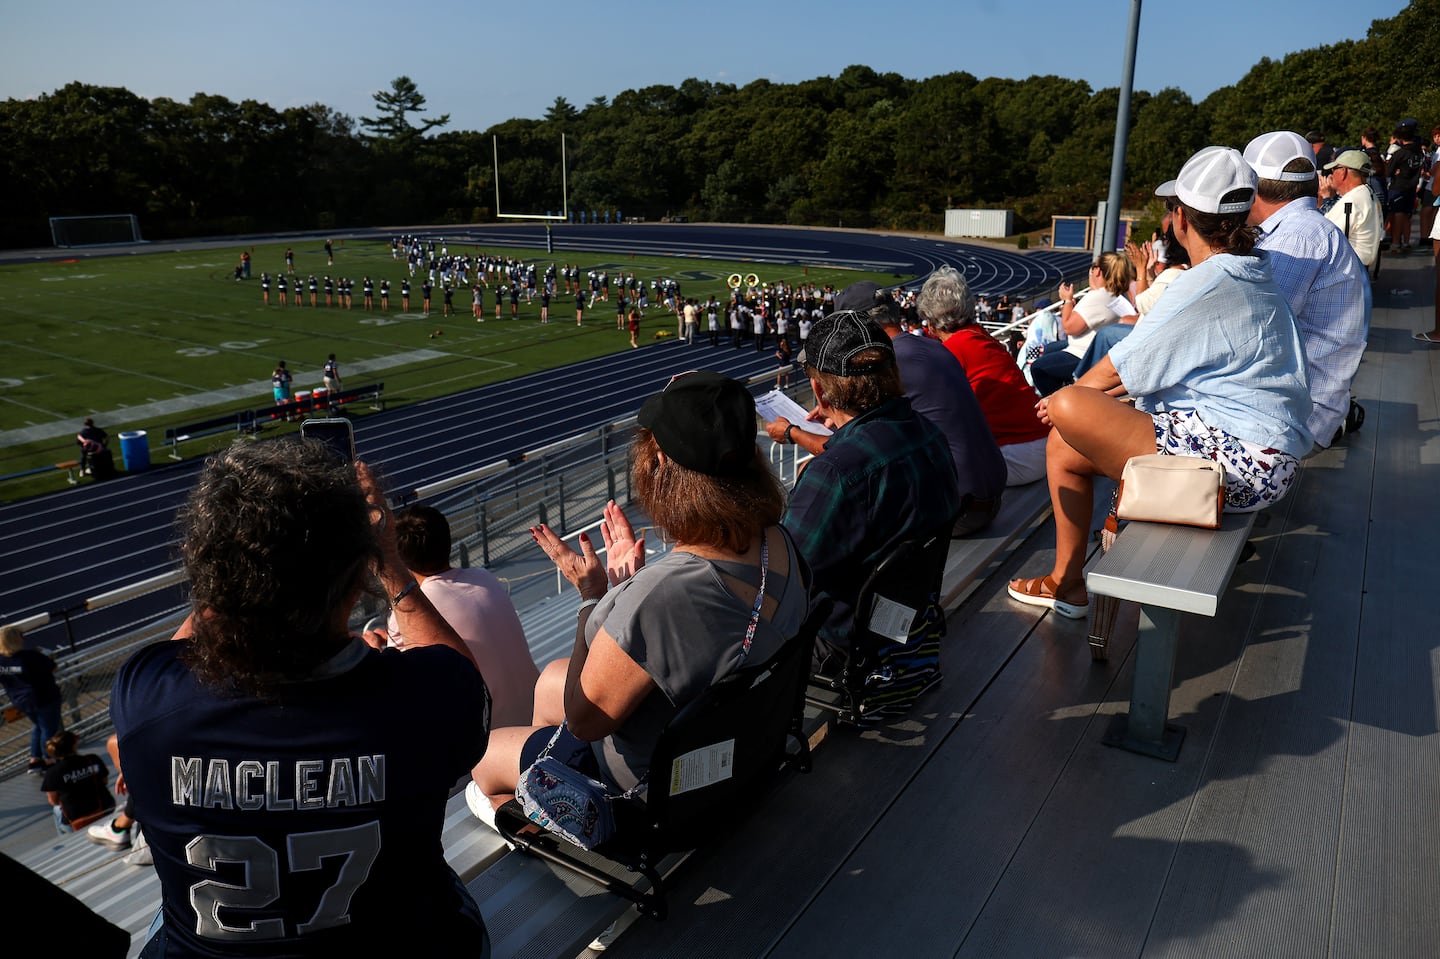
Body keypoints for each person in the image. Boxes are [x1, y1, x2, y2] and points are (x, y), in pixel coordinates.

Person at [110, 440, 492, 957]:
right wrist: (392, 564)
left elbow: (186, 654)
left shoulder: (146, 694)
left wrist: (233, 557)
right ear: (357, 582)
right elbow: (464, 681)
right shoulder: (422, 698)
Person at [468, 372, 808, 826]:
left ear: (662, 469)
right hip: (742, 746)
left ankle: (541, 824)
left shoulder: (659, 597)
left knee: (484, 760)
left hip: (656, 799)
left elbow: (584, 721)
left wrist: (596, 600)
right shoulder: (779, 540)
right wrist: (632, 600)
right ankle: (545, 768)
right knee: (550, 678)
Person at [1007, 146, 1312, 619]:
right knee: (1062, 448)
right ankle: (1065, 582)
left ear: (1183, 220)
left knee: (1068, 409)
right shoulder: (1251, 269)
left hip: (1244, 464)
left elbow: (1115, 370)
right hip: (1267, 454)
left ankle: (1072, 578)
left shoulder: (1206, 283)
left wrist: (1064, 403)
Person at [768, 310, 961, 652]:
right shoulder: (931, 435)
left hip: (845, 640)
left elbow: (783, 578)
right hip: (908, 620)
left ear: (820, 391)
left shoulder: (836, 474)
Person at [1243, 130, 1370, 448]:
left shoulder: (1295, 239)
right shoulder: (1303, 228)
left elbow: (1253, 335)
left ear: (1252, 188)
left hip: (1292, 418)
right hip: (1307, 405)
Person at [382, 504, 540, 729]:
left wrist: (376, 649)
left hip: (492, 739)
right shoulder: (484, 577)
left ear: (402, 559)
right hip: (538, 713)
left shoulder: (413, 607)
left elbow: (396, 682)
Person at [916, 267, 1052, 487]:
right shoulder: (982, 337)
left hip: (1016, 454)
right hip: (1041, 445)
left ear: (931, 323)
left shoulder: (952, 350)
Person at [1028, 253, 1135, 396]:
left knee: (1038, 368)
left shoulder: (1098, 296)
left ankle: (1057, 404)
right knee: (1048, 349)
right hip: (1093, 350)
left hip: (1082, 354)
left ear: (1097, 271)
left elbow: (1069, 327)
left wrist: (1067, 300)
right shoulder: (1116, 296)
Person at [0, 625, 62, 774]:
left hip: (20, 701)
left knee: (39, 726)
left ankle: (35, 759)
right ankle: (48, 759)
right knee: (48, 728)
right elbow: (52, 667)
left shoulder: (1, 661)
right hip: (43, 697)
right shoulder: (29, 656)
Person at [41, 729, 115, 835]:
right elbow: (104, 781)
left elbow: (53, 801)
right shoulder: (92, 759)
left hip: (76, 819)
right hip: (104, 808)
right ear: (74, 745)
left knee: (56, 810)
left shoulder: (52, 773)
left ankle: (66, 842)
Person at [1322, 151, 1382, 270]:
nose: (1332, 174)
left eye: (1334, 169)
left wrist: (1325, 199)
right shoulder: (1367, 193)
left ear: (1343, 171)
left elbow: (1327, 238)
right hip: (1359, 266)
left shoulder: (1352, 201)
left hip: (1348, 268)